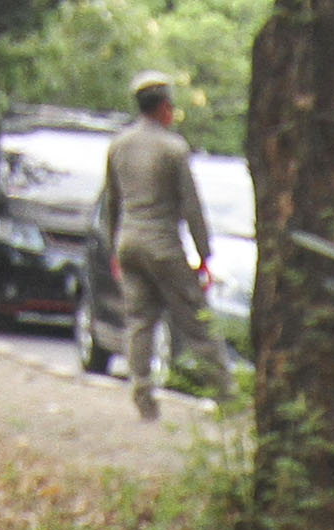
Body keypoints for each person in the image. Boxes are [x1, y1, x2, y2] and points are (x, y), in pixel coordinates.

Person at [99, 72, 230, 419]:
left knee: (140, 320)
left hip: (128, 243)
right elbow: (191, 205)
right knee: (197, 321)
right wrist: (204, 254)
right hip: (163, 245)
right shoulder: (173, 148)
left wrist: (114, 248)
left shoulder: (119, 145)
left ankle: (143, 396)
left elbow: (112, 203)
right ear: (165, 108)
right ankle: (227, 396)